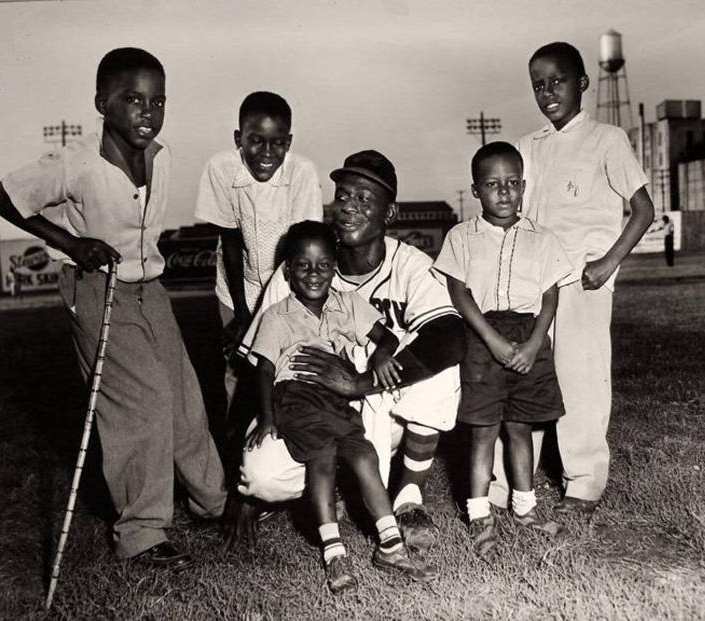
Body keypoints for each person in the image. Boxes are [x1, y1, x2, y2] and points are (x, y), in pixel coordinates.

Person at [0, 48, 227, 570]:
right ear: (103, 103)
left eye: (158, 101)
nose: (148, 112)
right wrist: (70, 242)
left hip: (151, 288)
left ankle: (212, 501)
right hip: (96, 288)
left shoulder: (162, 155)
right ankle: (142, 533)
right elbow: (5, 195)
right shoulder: (74, 161)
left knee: (183, 395)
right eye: (133, 99)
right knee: (141, 403)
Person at [227, 150, 465, 551]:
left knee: (439, 365)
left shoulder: (409, 265)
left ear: (389, 214)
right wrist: (241, 491)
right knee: (261, 477)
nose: (349, 208)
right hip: (306, 407)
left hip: (382, 408)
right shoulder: (306, 262)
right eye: (343, 196)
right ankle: (331, 482)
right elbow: (256, 370)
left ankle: (407, 499)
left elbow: (451, 336)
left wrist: (362, 383)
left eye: (364, 199)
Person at [504, 41, 654, 515]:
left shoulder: (607, 139)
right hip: (534, 283)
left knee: (580, 380)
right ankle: (512, 482)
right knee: (523, 377)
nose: (548, 92)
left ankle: (584, 483)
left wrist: (608, 262)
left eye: (558, 81)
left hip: (583, 280)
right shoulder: (528, 146)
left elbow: (643, 210)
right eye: (538, 85)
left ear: (583, 83)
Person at [245, 220, 435, 592]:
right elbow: (265, 370)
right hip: (296, 396)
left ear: (335, 266)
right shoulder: (276, 316)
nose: (314, 274)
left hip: (336, 397)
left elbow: (387, 336)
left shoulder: (346, 303)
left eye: (323, 265)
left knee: (364, 455)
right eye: (303, 265)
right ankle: (334, 554)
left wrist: (381, 357)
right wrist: (267, 417)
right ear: (288, 269)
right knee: (321, 459)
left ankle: (390, 547)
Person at [433, 142, 571, 556]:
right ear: (476, 190)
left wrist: (533, 344)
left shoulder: (542, 238)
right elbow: (459, 292)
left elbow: (550, 296)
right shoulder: (461, 236)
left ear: (524, 185)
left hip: (529, 335)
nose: (504, 192)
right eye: (493, 184)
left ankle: (524, 508)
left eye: (513, 183)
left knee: (521, 428)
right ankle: (479, 515)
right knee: (483, 432)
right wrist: (491, 340)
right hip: (482, 337)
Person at [194, 91, 322, 426]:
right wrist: (241, 315)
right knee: (237, 369)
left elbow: (297, 251)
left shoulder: (303, 173)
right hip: (237, 286)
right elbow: (231, 240)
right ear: (238, 138)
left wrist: (267, 315)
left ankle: (285, 446)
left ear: (289, 141)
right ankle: (235, 449)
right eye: (255, 141)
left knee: (283, 366)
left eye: (277, 143)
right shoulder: (220, 168)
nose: (267, 153)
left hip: (286, 283)